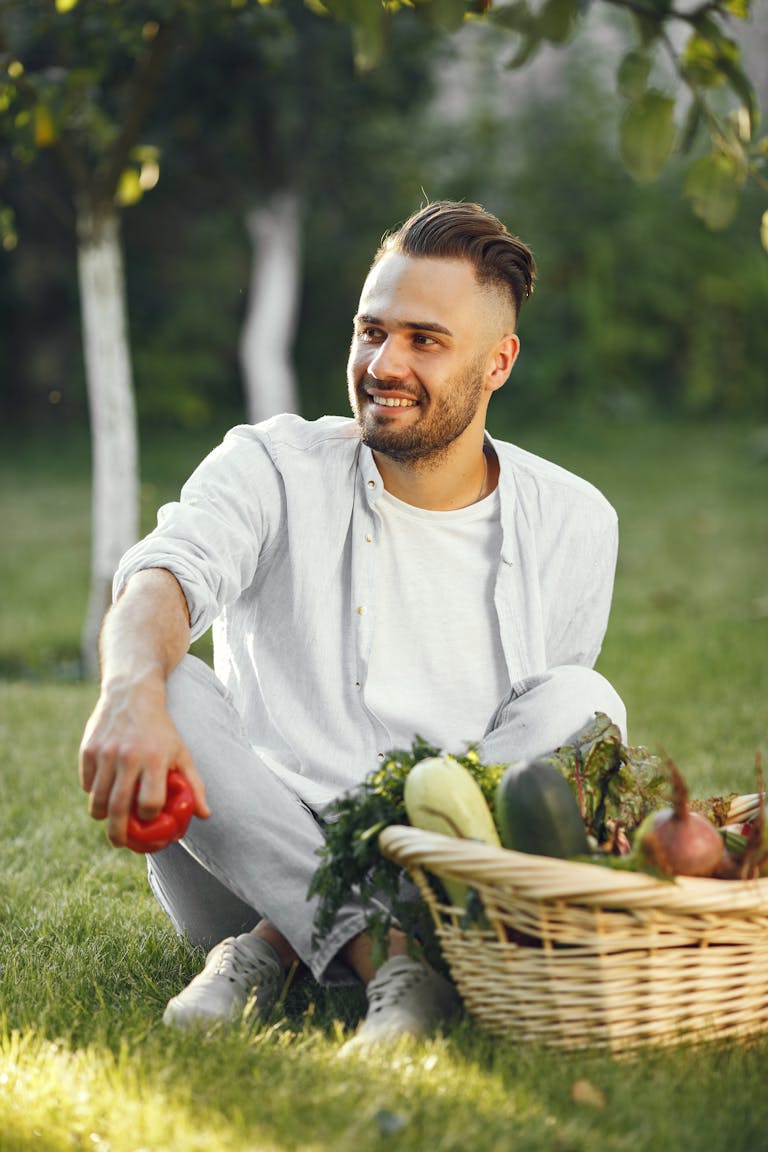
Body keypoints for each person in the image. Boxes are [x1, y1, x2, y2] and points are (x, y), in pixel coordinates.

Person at [78, 200, 626, 1049]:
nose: (384, 362)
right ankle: (386, 960)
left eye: (424, 340)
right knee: (166, 676)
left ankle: (278, 953)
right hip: (248, 859)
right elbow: (161, 574)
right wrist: (125, 690)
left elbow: (525, 776)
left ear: (497, 364)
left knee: (585, 703)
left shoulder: (575, 522)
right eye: (372, 331)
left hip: (436, 869)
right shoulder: (271, 464)